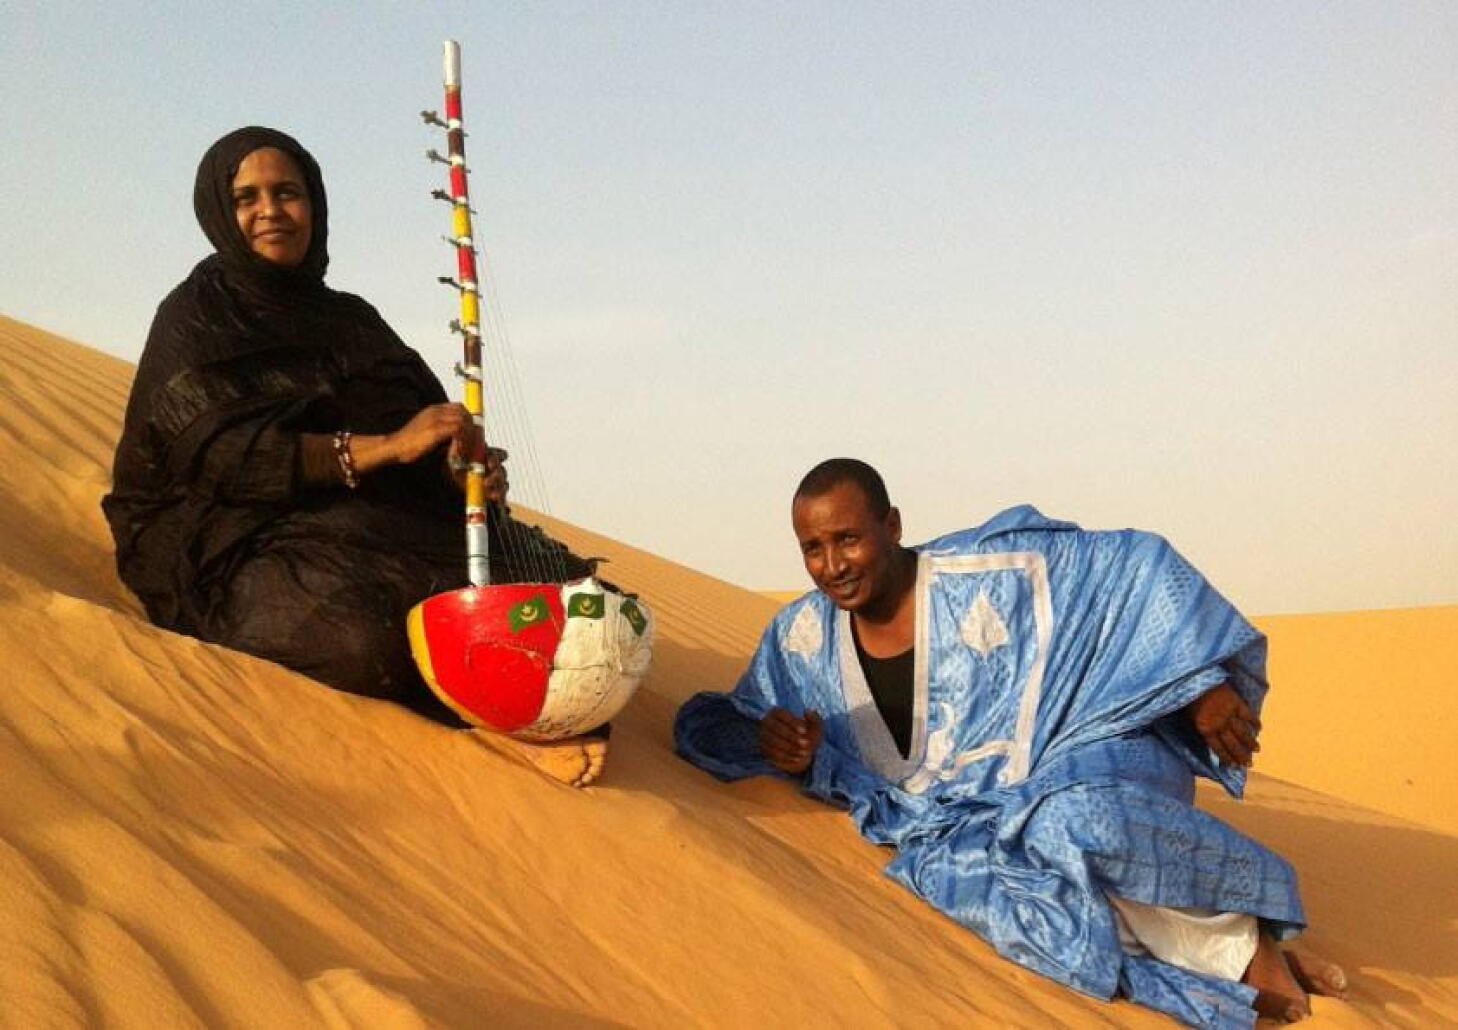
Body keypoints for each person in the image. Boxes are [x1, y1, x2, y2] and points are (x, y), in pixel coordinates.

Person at [674, 459, 1347, 1028]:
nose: (831, 566)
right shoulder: (800, 638)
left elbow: (1139, 567)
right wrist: (774, 741)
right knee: (1003, 892)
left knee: (1071, 823)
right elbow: (723, 719)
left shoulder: (998, 568)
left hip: (1091, 746)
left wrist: (1202, 687)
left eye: (847, 539)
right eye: (812, 549)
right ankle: (1239, 955)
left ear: (893, 526)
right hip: (961, 826)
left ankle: (1250, 945)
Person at [103, 126, 605, 786]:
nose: (270, 211)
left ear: (315, 202)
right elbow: (226, 459)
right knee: (365, 635)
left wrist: (458, 470)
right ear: (219, 214)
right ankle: (494, 724)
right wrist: (389, 447)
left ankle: (522, 702)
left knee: (587, 602)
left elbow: (419, 432)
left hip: (370, 520)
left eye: (288, 192)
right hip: (231, 536)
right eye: (247, 198)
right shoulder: (197, 316)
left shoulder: (352, 319)